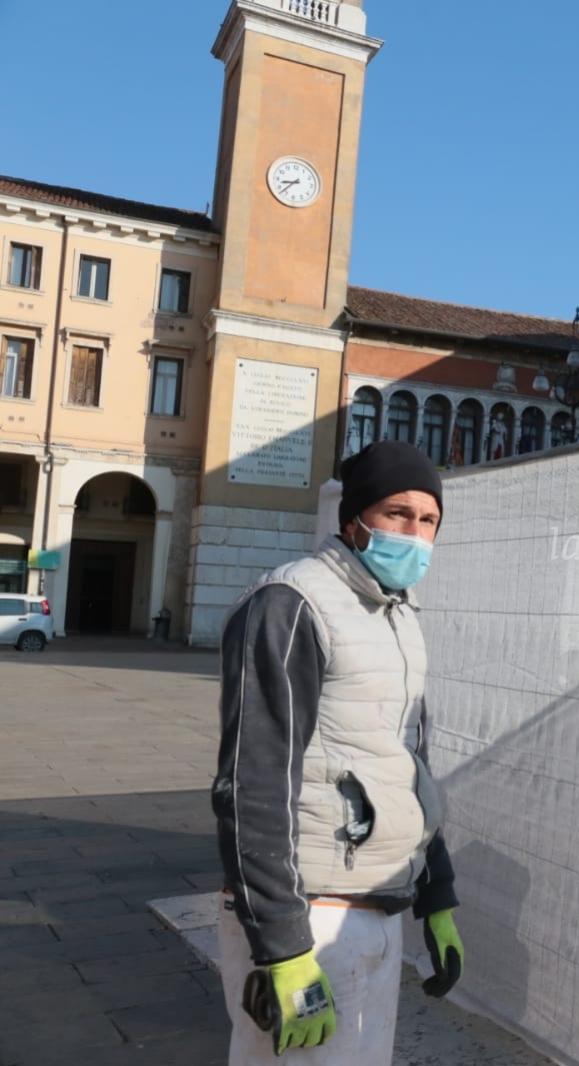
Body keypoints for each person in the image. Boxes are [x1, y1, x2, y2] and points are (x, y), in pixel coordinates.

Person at [212, 441, 464, 1064]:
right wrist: (284, 947)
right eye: (396, 514)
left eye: (428, 520)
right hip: (310, 921)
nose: (414, 533)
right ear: (353, 520)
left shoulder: (400, 618)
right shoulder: (290, 603)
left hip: (376, 912)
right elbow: (252, 784)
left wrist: (436, 896)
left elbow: (406, 766)